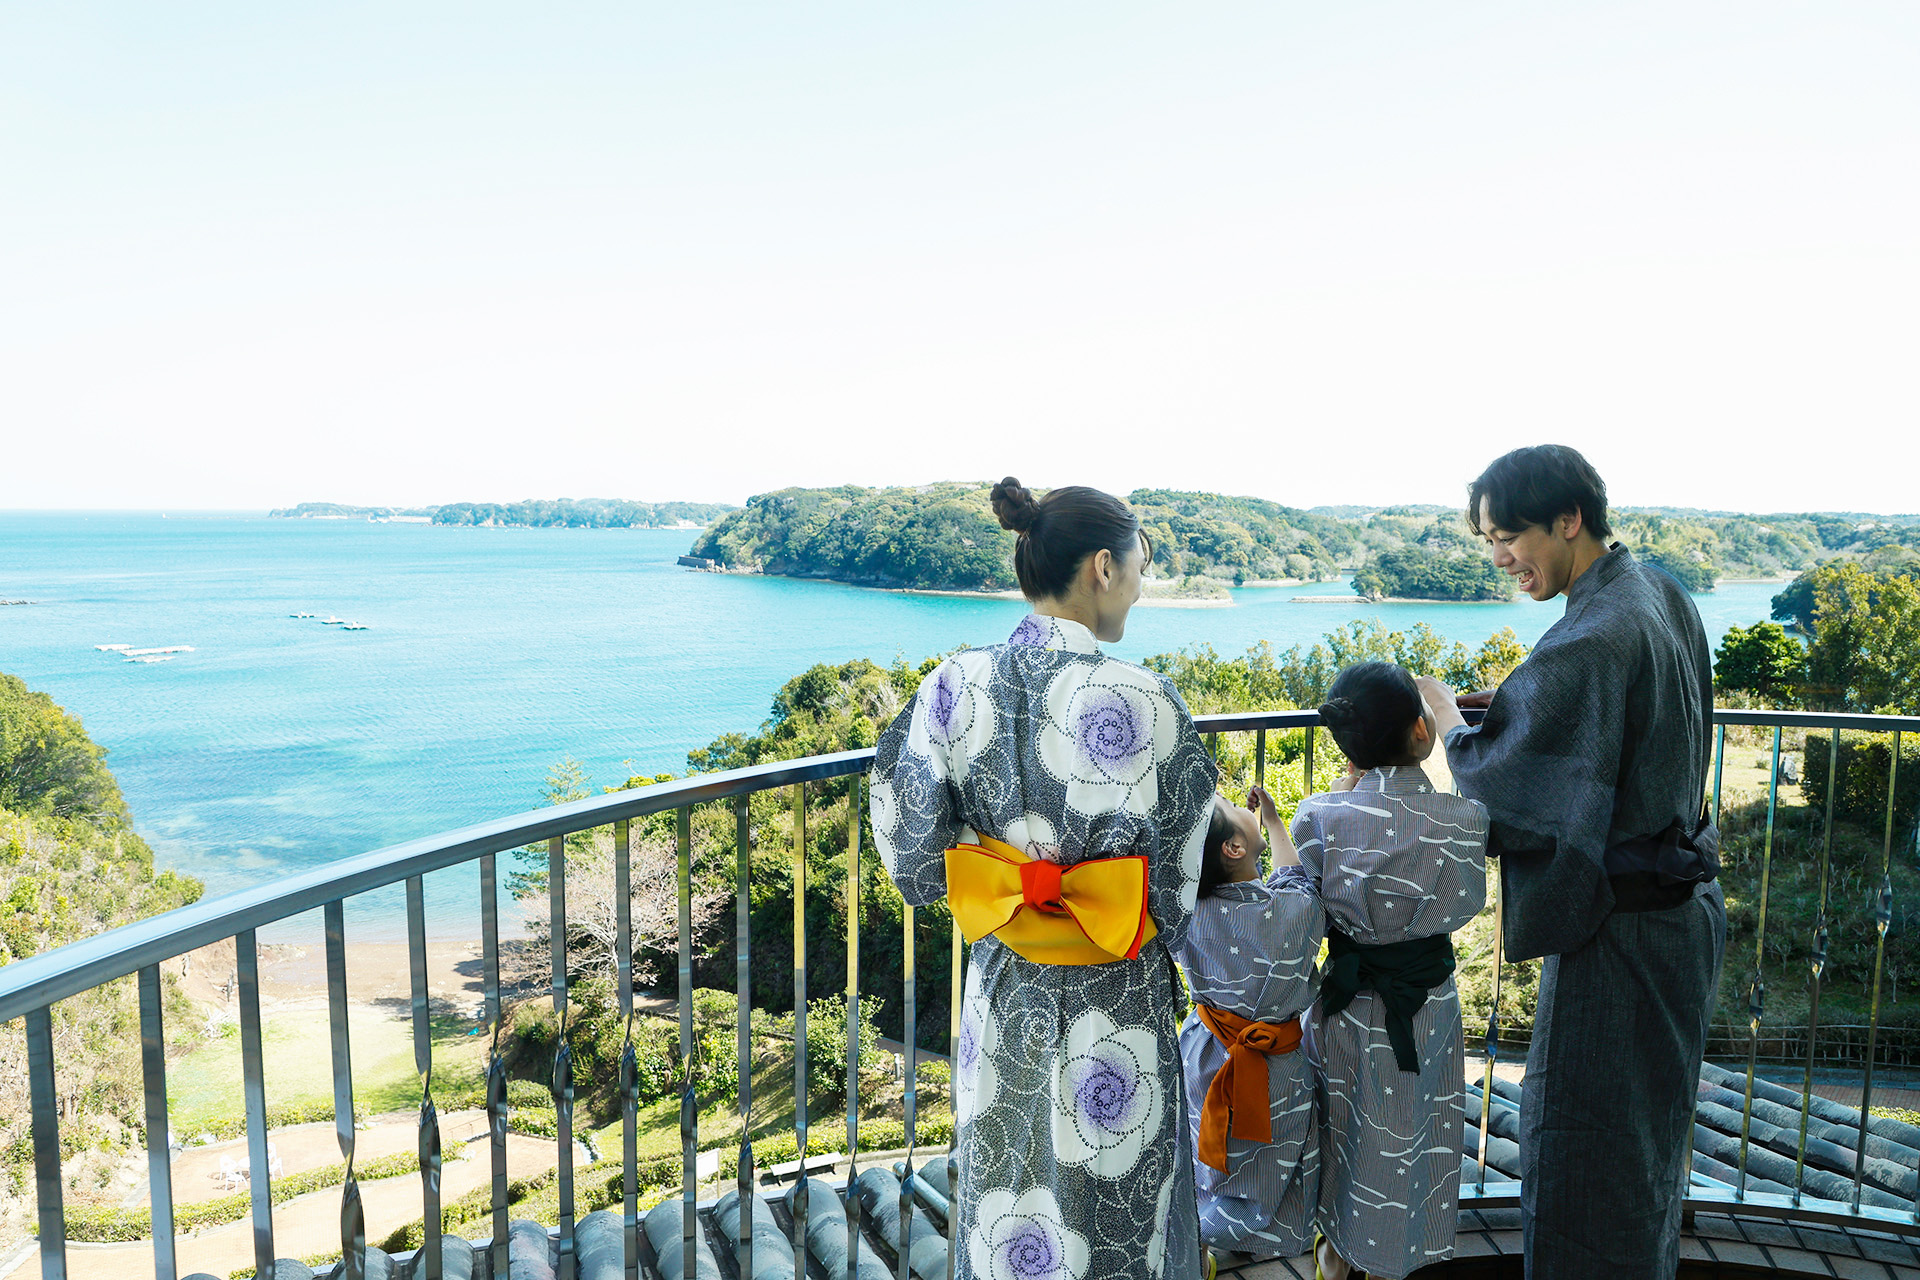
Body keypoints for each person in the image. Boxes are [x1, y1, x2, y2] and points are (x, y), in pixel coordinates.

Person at [869, 476, 1218, 1280]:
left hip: (1006, 987)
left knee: (1009, 1198)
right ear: (1104, 566)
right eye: (1139, 568)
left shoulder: (954, 685)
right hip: (1117, 993)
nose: (1140, 586)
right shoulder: (1148, 698)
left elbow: (913, 856)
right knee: (1119, 1209)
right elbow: (1177, 886)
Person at [1432, 444, 1726, 1279]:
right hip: (1680, 919)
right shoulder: (1657, 592)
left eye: (1509, 536)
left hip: (1620, 940)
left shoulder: (1593, 635)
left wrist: (1447, 717)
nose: (1499, 557)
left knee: (1582, 1160)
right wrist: (1514, 707)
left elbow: (1499, 782)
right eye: (1490, 540)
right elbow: (1614, 727)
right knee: (1644, 1153)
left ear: (1568, 520)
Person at [1291, 662, 1488, 1280]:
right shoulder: (1464, 820)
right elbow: (1468, 899)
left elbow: (1306, 901)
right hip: (1425, 1005)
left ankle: (1334, 1257)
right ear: (1422, 732)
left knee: (1343, 1128)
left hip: (1344, 1005)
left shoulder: (1318, 817)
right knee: (1414, 1129)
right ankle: (1393, 1258)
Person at [1175, 786, 1324, 1264]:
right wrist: (1276, 823)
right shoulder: (1294, 912)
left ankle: (1198, 1237)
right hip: (1276, 1063)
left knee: (1204, 1145)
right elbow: (1296, 878)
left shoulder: (1185, 912)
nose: (1241, 806)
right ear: (1234, 848)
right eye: (1230, 808)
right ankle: (1264, 1235)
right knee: (1271, 1153)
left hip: (1205, 1053)